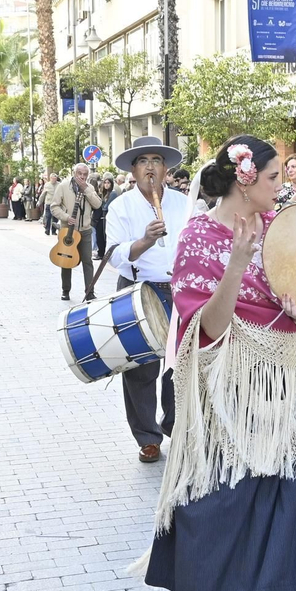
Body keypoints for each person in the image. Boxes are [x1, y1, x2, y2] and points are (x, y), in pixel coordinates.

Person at [134, 136, 296, 591]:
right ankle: (205, 586)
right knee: (222, 489)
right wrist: (238, 264)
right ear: (245, 179)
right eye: (271, 178)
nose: (281, 186)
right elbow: (206, 327)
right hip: (229, 383)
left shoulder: (283, 227)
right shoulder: (199, 236)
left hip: (286, 374)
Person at [106, 136, 191, 464]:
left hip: (179, 291)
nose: (151, 167)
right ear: (133, 169)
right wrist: (144, 241)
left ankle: (174, 426)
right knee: (140, 369)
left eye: (157, 160)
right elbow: (114, 255)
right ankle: (147, 437)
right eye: (144, 161)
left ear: (166, 169)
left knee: (178, 366)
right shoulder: (120, 206)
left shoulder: (182, 203)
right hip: (138, 290)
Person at [48, 163, 104, 303]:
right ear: (74, 173)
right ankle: (65, 290)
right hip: (68, 230)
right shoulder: (63, 186)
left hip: (85, 230)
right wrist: (67, 217)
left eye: (85, 174)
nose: (82, 177)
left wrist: (87, 190)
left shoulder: (89, 188)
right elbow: (54, 207)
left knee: (87, 261)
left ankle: (89, 292)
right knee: (66, 260)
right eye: (80, 173)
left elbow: (98, 205)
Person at [93, 174, 116, 261]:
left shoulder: (113, 193)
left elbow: (105, 206)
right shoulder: (103, 193)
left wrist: (101, 205)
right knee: (99, 236)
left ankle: (104, 253)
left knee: (104, 236)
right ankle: (101, 253)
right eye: (105, 183)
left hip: (107, 218)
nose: (106, 184)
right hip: (101, 217)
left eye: (108, 183)